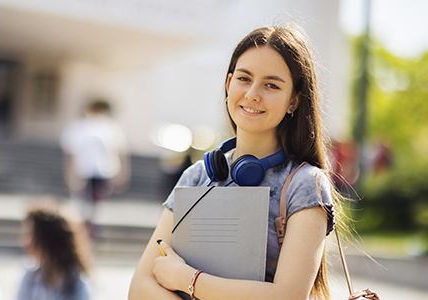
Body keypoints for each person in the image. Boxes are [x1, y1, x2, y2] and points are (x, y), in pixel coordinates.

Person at [129, 24, 339, 300]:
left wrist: (189, 280)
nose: (252, 93)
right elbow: (140, 287)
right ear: (229, 85)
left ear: (294, 101)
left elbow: (287, 296)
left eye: (271, 85)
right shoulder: (198, 176)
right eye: (244, 78)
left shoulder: (305, 184)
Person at [59, 99, 130, 230]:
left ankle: (92, 231)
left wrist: (122, 172)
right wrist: (70, 173)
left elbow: (120, 152)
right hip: (83, 172)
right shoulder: (79, 127)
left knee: (97, 208)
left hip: (104, 172)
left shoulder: (111, 128)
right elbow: (70, 152)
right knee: (82, 207)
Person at [17, 201, 91, 300]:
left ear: (46, 239)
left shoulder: (77, 283)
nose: (24, 241)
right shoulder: (30, 276)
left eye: (30, 234)